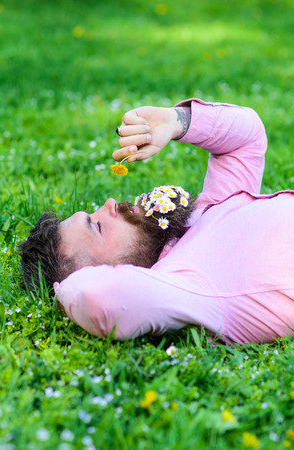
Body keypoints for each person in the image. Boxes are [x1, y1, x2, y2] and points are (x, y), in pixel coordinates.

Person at [19, 98, 294, 345]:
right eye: (97, 226)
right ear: (106, 271)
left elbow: (246, 140)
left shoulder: (205, 213)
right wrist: (61, 291)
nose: (109, 204)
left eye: (93, 214)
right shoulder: (188, 287)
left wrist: (175, 122)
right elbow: (97, 297)